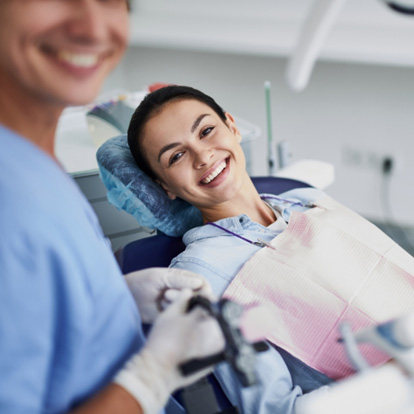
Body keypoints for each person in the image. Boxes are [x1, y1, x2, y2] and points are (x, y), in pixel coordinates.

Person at [0, 2, 226, 414]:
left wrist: (108, 301)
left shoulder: (36, 164)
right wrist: (153, 375)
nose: (92, 28)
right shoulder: (10, 199)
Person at [127, 85, 414, 396]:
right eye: (177, 155)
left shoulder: (306, 200)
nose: (203, 155)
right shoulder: (202, 275)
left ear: (232, 126)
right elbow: (275, 407)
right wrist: (390, 379)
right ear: (165, 186)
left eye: (207, 131)